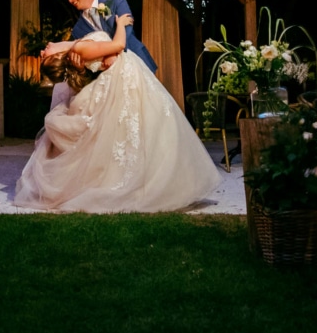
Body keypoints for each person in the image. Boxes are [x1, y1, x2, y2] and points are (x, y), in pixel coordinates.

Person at [14, 14, 222, 213]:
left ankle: (147, 178)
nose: (44, 48)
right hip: (125, 75)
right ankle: (145, 182)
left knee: (138, 131)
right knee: (138, 131)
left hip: (123, 75)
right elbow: (119, 45)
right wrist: (120, 24)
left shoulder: (76, 47)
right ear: (57, 55)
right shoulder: (79, 48)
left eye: (44, 49)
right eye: (46, 52)